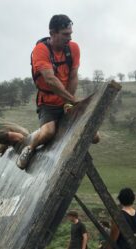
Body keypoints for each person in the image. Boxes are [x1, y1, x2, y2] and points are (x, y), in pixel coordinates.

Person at [17, 14, 100, 169]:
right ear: (53, 33)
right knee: (48, 133)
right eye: (65, 34)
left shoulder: (73, 48)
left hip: (67, 100)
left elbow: (73, 76)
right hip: (48, 103)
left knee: (95, 137)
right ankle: (29, 149)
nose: (69, 38)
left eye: (70, 34)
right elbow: (50, 80)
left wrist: (69, 102)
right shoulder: (40, 51)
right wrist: (71, 100)